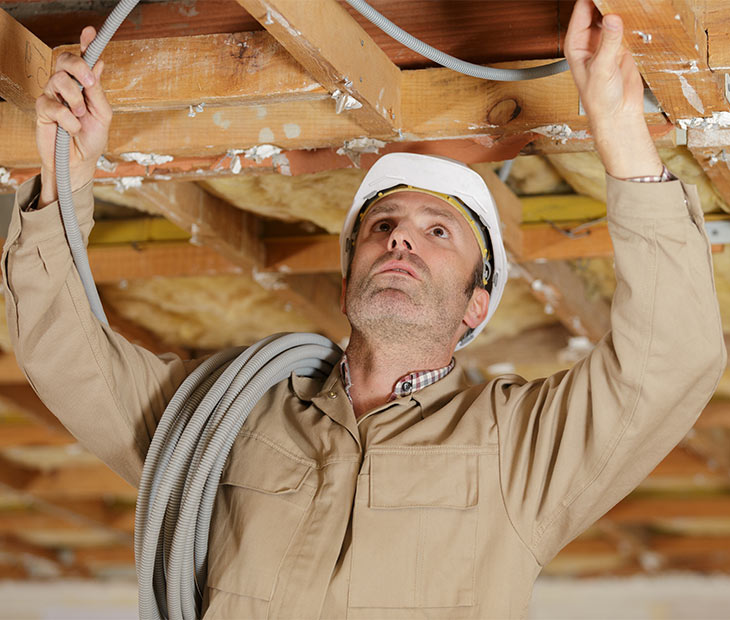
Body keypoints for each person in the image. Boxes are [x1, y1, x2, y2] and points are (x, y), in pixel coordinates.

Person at [2, 0, 725, 617]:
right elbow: (66, 356)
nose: (401, 235)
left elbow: (670, 360)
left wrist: (622, 132)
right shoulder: (229, 420)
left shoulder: (517, 450)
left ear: (477, 306)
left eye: (437, 232)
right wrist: (69, 170)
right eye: (383, 227)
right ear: (349, 282)